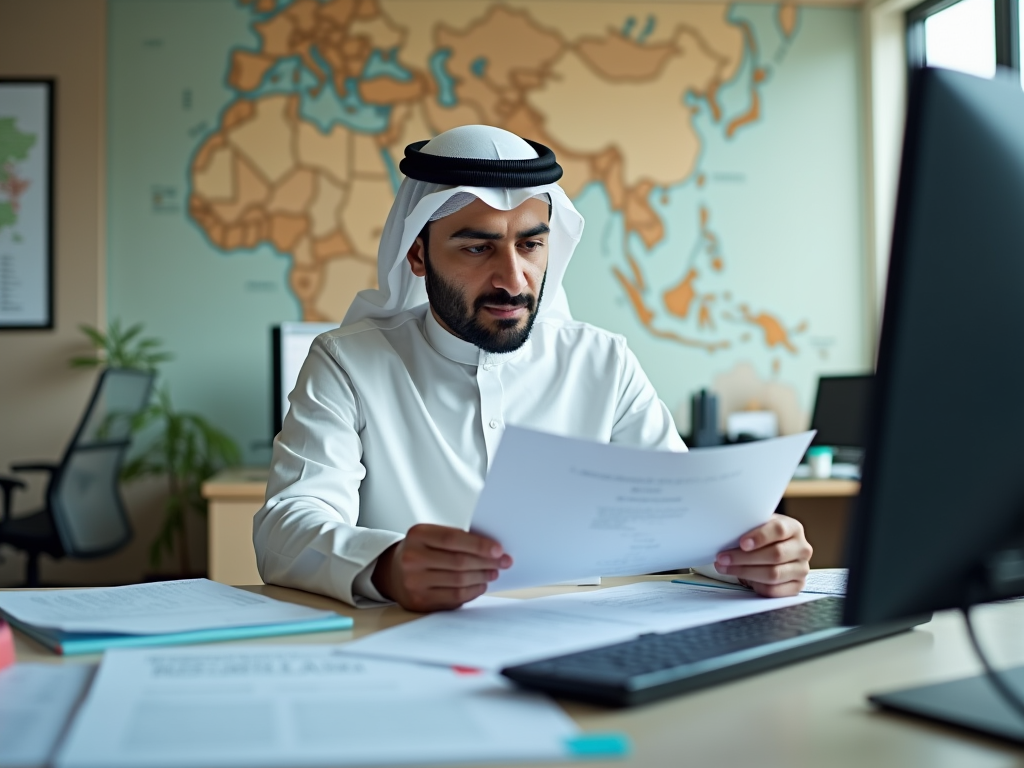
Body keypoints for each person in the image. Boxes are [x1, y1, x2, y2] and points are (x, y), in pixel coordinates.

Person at [254, 125, 812, 612]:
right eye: (478, 249)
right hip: (404, 648)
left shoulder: (603, 362)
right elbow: (287, 523)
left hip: (574, 654)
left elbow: (680, 522)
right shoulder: (347, 361)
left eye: (531, 244)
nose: (514, 279)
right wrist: (386, 566)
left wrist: (753, 554)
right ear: (418, 254)